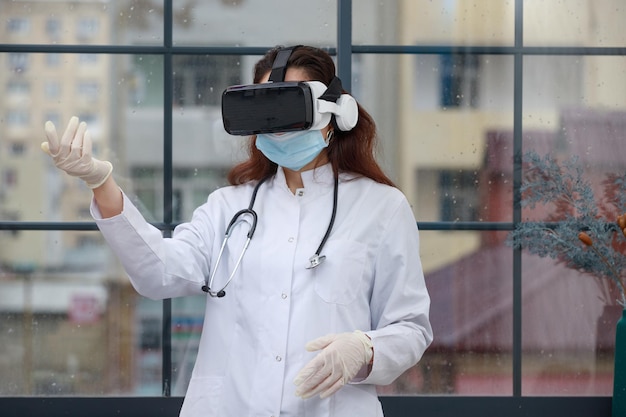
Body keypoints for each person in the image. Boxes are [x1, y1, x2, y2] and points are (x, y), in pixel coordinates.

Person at [41, 45, 432, 417]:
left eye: (288, 107)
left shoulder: (381, 208)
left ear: (336, 114)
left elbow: (411, 328)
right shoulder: (229, 207)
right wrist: (102, 185)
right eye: (265, 112)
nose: (277, 128)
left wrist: (365, 349)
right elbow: (157, 273)